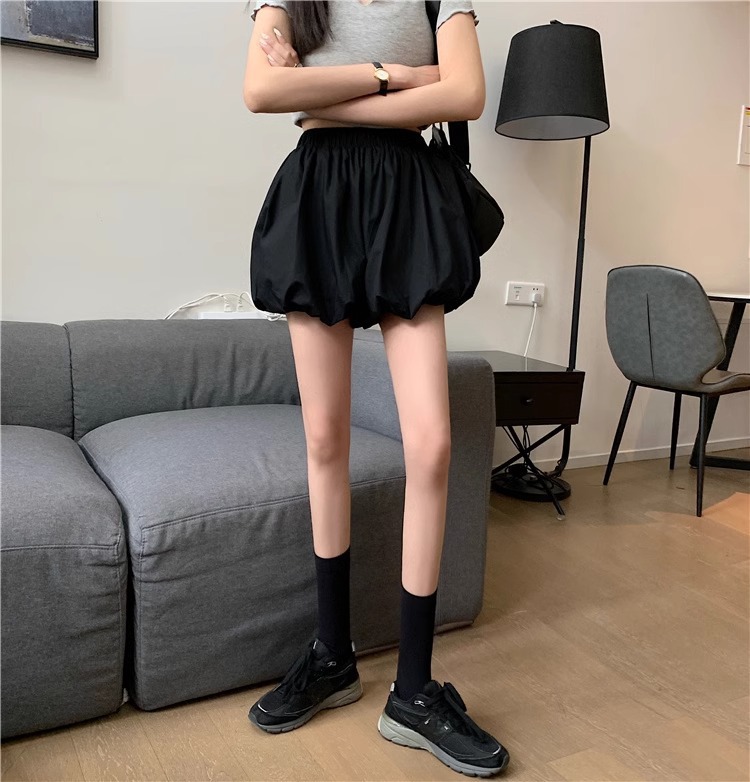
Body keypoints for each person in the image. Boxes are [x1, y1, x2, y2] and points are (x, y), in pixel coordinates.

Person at [243, 0, 510, 776]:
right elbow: (261, 91)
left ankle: (415, 691)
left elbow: (466, 95)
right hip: (317, 197)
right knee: (323, 438)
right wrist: (402, 78)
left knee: (431, 445)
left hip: (406, 198)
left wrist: (325, 97)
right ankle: (332, 656)